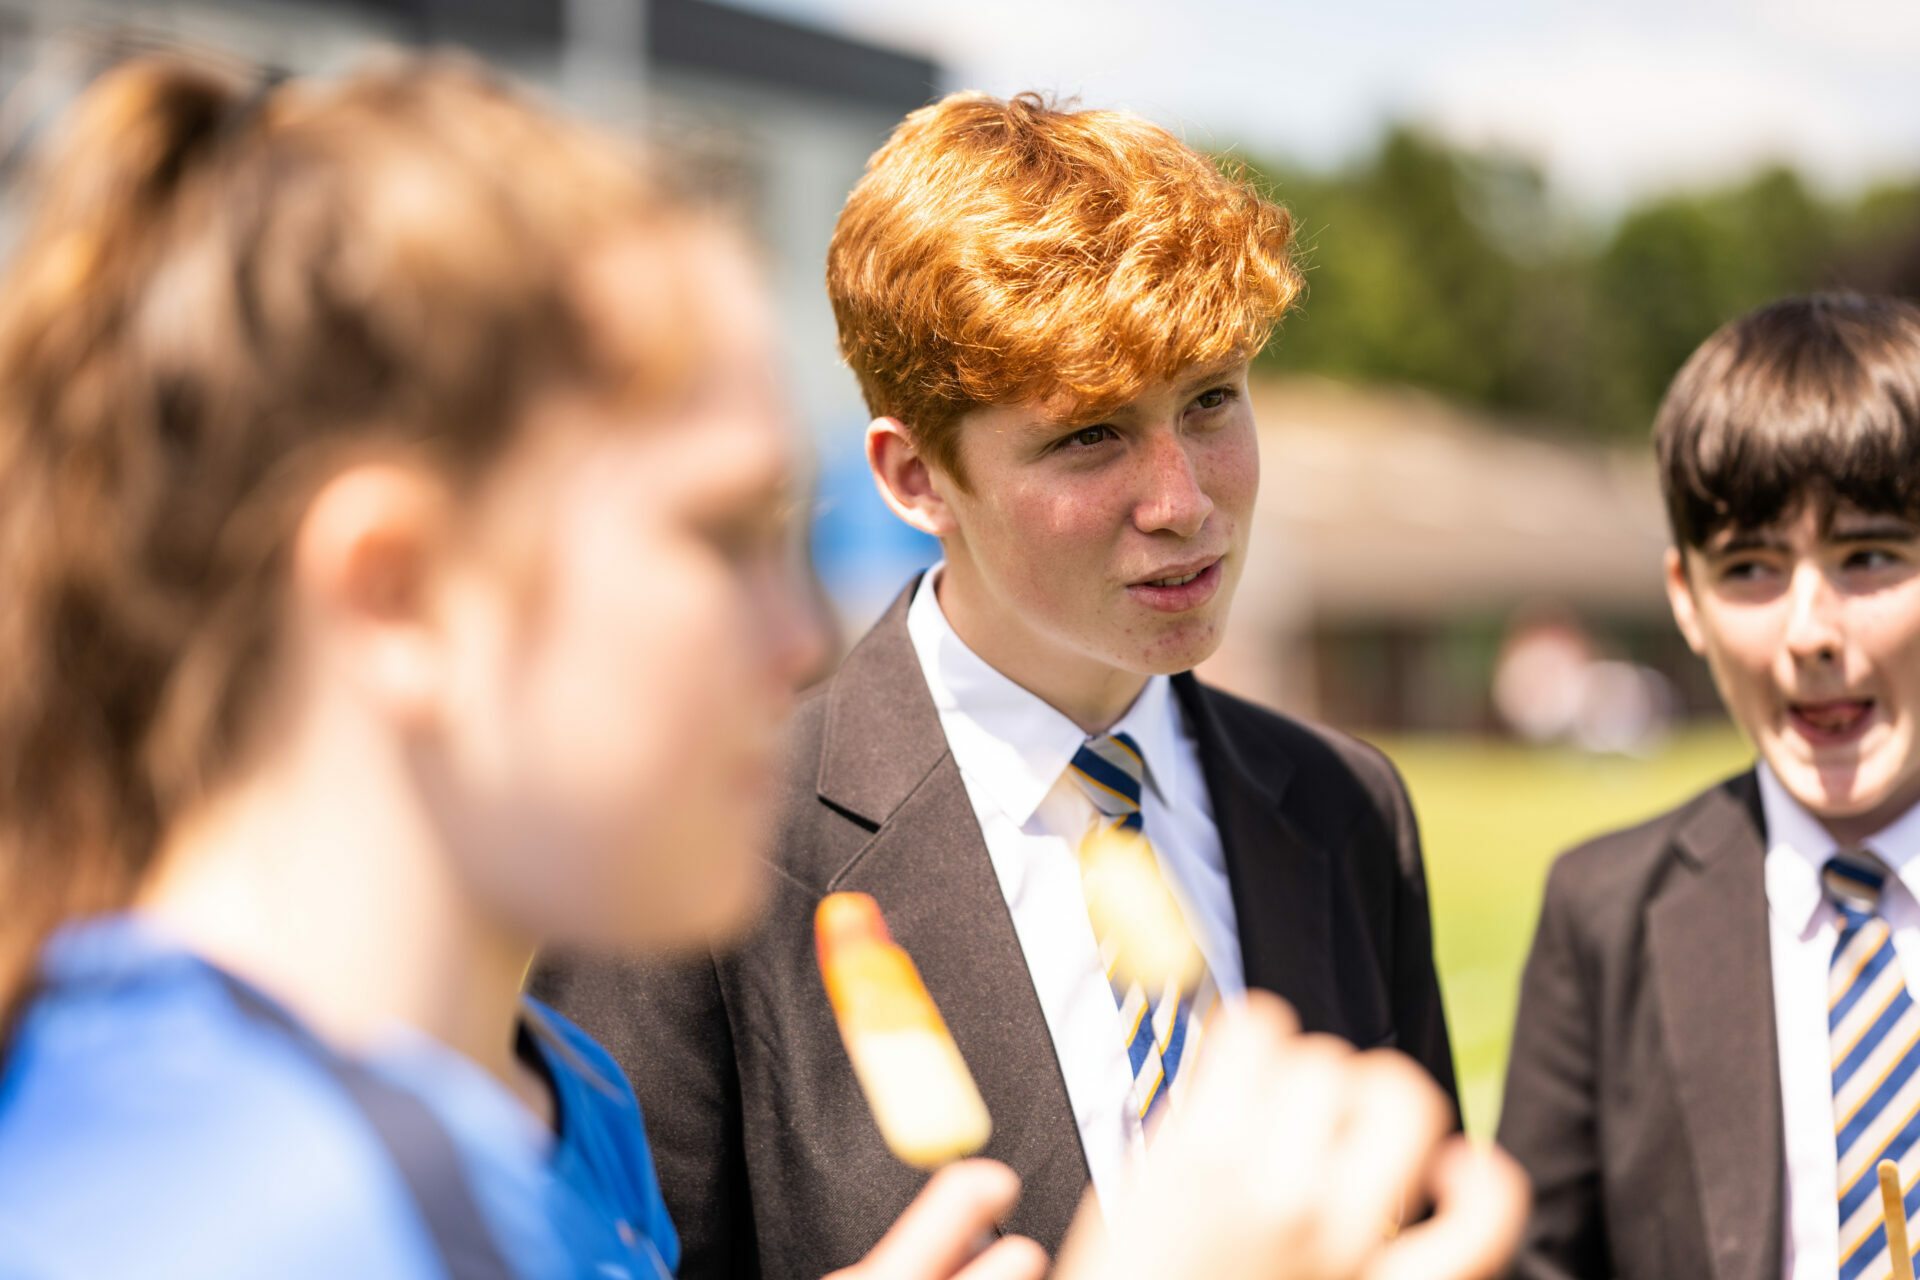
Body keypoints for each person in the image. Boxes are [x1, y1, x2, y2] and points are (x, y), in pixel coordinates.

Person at [0, 50, 1524, 1280]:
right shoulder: (256, 1195)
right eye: (715, 532)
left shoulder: (548, 1109)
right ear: (915, 478)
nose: (794, 634)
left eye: (1214, 401)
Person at [535, 90, 1459, 1278]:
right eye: (1091, 436)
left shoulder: (1343, 807)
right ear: (916, 475)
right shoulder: (682, 859)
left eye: (1212, 401)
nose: (1183, 499)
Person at [1498, 294, 1920, 1280]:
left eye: (1869, 556)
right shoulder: (1604, 913)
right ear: (1684, 599)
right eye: (1751, 568)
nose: (1811, 632)